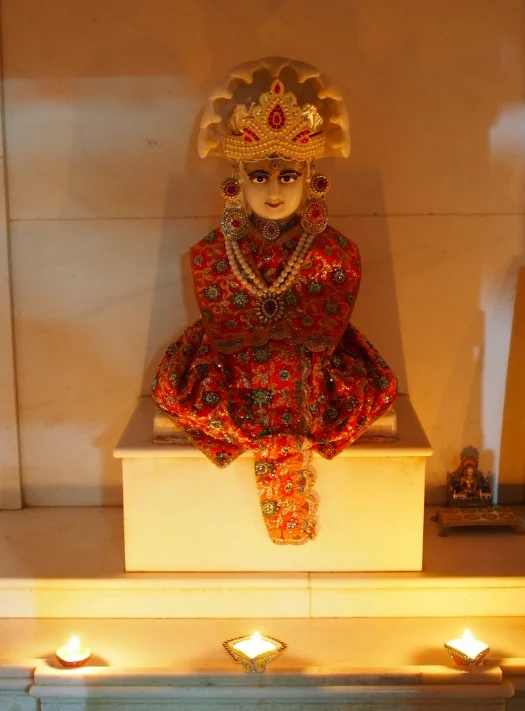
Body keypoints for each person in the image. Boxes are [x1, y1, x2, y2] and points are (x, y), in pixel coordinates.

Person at [152, 69, 397, 545]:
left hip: (314, 365)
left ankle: (286, 472)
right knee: (184, 385)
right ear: (237, 182)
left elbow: (323, 318)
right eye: (259, 177)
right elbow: (226, 314)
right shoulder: (216, 251)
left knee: (323, 374)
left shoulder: (334, 252)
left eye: (288, 176)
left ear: (311, 180)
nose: (274, 193)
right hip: (230, 362)